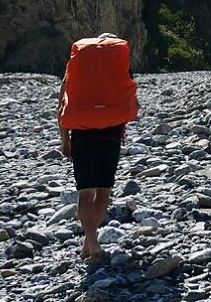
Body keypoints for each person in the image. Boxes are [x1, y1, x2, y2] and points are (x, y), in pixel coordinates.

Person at [58, 33, 138, 264]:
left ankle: (91, 244)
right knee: (104, 190)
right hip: (111, 132)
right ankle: (90, 242)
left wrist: (65, 141)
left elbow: (62, 105)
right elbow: (128, 98)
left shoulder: (76, 69)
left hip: (82, 132)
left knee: (85, 192)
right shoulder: (118, 69)